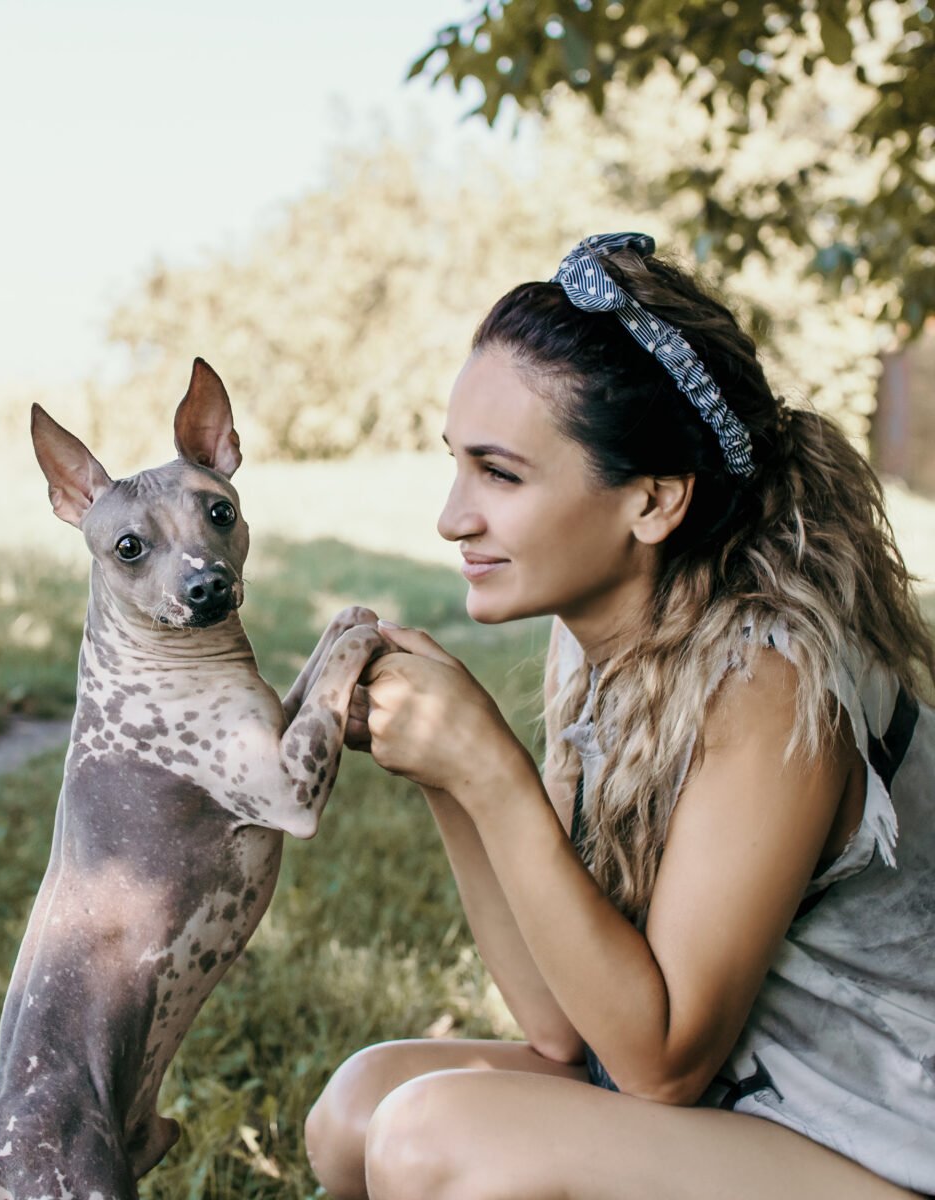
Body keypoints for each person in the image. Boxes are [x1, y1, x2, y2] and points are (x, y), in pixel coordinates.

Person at [303, 233, 935, 1199]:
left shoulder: (768, 683)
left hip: (877, 1139)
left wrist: (492, 772)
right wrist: (447, 778)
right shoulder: (594, 644)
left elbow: (662, 1060)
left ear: (653, 501)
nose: (451, 516)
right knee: (358, 1108)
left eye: (499, 474)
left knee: (431, 1140)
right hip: (753, 1105)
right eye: (456, 465)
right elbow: (564, 1026)